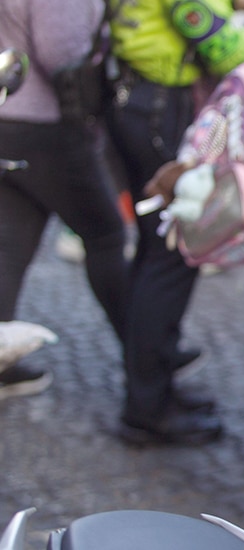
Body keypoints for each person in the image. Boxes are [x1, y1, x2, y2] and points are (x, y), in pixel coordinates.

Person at [105, 0, 244, 445]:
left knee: (154, 251)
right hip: (162, 106)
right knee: (171, 255)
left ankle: (153, 381)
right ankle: (147, 406)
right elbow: (230, 51)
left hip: (137, 98)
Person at [0, 0, 129, 400]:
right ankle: (147, 356)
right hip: (47, 122)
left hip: (11, 114)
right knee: (106, 234)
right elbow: (61, 49)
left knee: (11, 240)